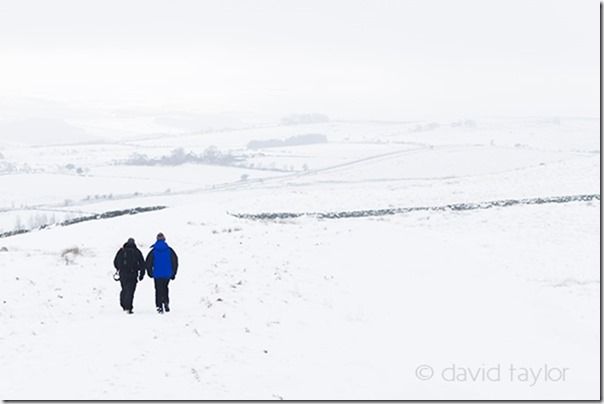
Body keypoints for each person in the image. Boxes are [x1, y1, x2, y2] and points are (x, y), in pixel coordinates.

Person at [146, 232, 178, 314]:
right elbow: (175, 262)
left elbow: (148, 262)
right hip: (167, 274)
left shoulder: (153, 251)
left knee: (158, 290)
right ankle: (166, 302)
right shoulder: (170, 250)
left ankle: (159, 306)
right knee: (165, 288)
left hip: (157, 274)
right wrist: (174, 273)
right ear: (164, 239)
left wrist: (149, 272)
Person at [113, 237, 145, 314]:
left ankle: (123, 303)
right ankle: (128, 307)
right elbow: (142, 264)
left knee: (124, 289)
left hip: (123, 274)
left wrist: (119, 269)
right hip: (133, 274)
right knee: (130, 291)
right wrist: (141, 274)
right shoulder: (137, 252)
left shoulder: (121, 251)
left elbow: (115, 261)